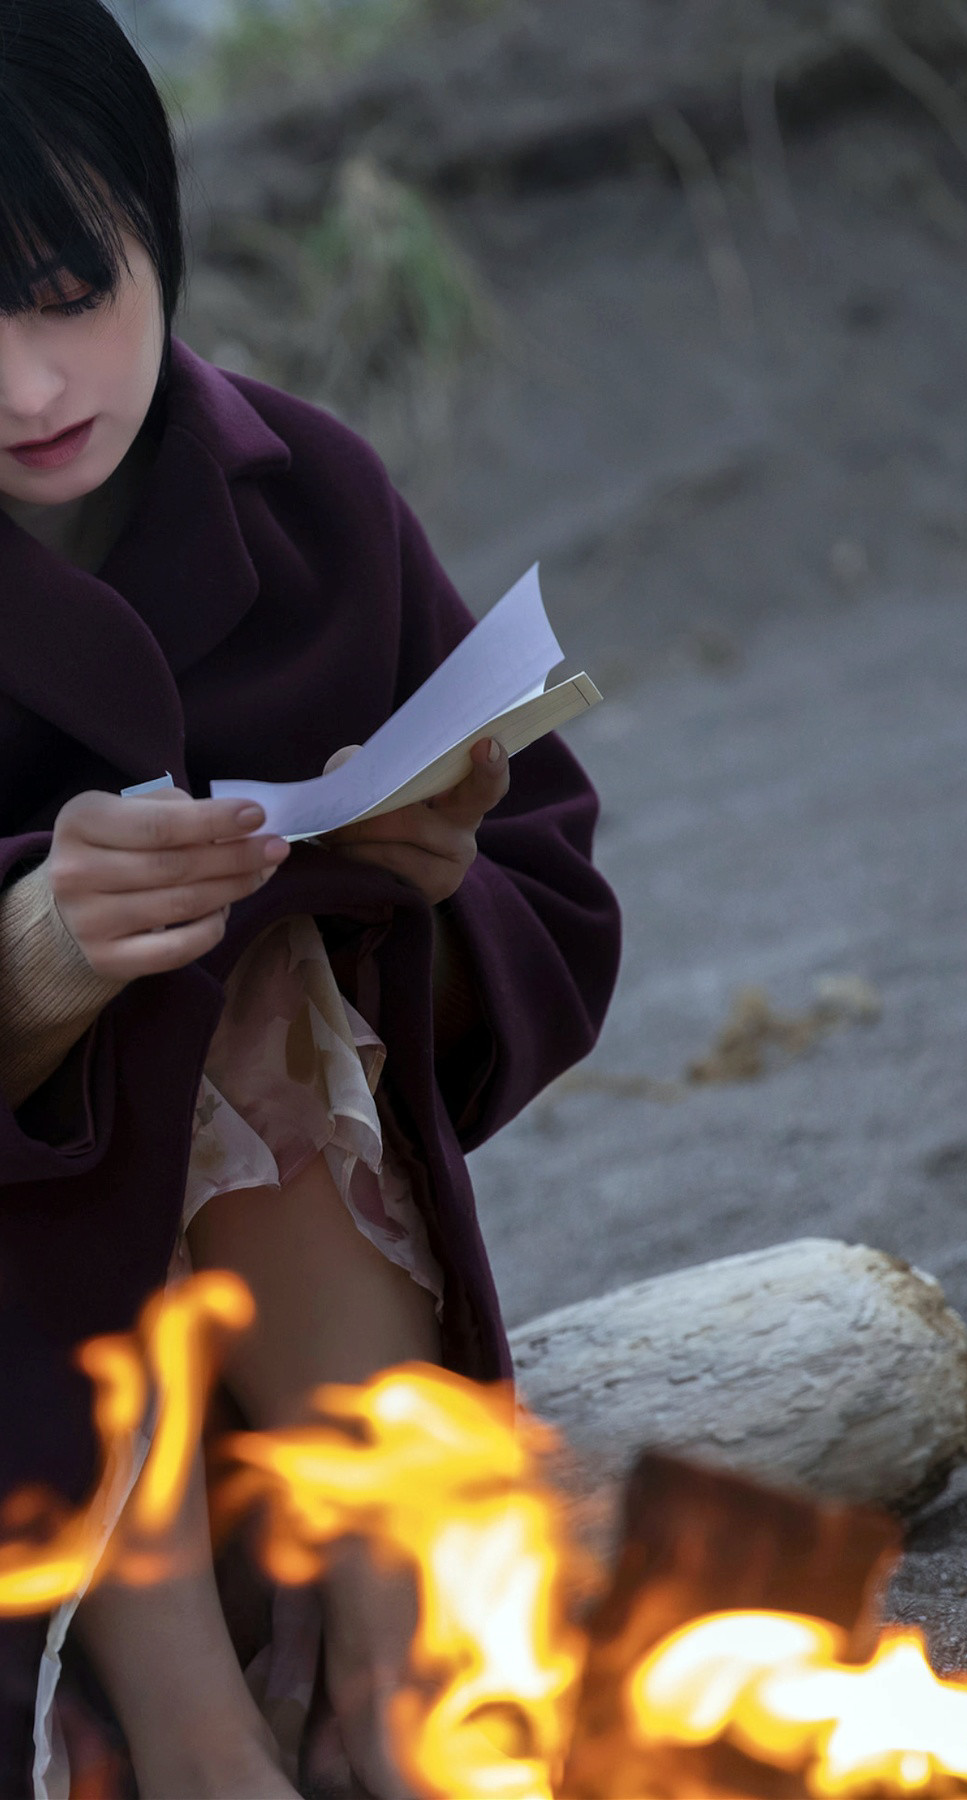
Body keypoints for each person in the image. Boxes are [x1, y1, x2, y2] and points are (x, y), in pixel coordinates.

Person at [0, 1, 622, 1795]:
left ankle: (386, 1653)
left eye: (69, 288)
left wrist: (414, 898)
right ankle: (203, 1733)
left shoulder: (312, 498)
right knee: (148, 976)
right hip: (40, 1437)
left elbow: (552, 901)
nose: (33, 387)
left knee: (262, 950)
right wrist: (35, 957)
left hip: (287, 1391)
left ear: (154, 218)